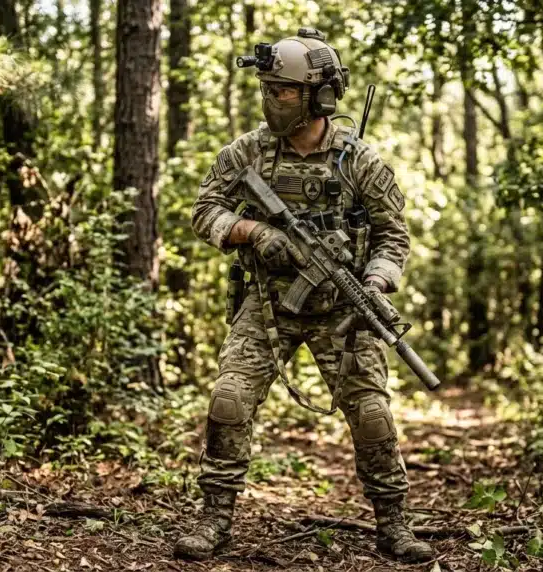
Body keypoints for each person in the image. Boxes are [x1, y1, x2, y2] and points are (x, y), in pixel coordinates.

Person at [174, 27, 434, 564]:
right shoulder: (247, 153)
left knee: (371, 413)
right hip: (269, 304)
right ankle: (214, 519)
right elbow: (205, 211)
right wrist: (253, 232)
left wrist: (375, 283)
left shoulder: (359, 161)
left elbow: (393, 236)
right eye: (267, 89)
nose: (272, 100)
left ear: (320, 96)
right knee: (229, 399)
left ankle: (394, 524)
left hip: (342, 307)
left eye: (283, 91)